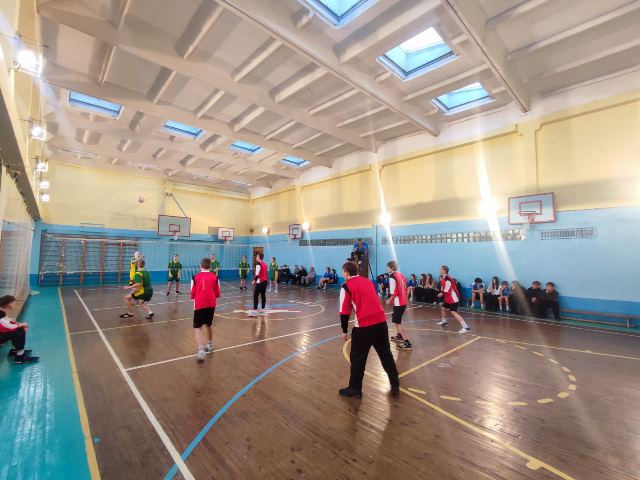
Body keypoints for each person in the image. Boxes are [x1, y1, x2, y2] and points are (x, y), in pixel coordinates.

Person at [338, 261, 400, 398]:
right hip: (381, 323)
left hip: (364, 327)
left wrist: (344, 330)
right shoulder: (368, 282)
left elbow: (344, 312)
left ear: (346, 273)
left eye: (343, 272)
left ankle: (355, 389)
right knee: (386, 354)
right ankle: (395, 384)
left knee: (357, 358)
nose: (343, 275)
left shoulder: (345, 287)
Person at [191, 257, 221, 362]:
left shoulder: (195, 277)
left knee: (198, 328)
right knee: (209, 325)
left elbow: (193, 294)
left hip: (199, 305)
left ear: (200, 266)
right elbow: (217, 293)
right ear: (210, 266)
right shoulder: (215, 277)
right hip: (211, 305)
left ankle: (201, 350)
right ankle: (210, 344)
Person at [0, 295, 38, 364]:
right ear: (8, 304)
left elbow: (7, 321)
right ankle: (20, 358)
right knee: (19, 331)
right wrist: (22, 325)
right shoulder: (0, 314)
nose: (15, 304)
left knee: (18, 328)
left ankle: (16, 350)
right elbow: (8, 327)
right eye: (13, 302)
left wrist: (19, 324)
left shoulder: (1, 311)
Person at [437, 265, 471, 333]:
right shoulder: (444, 278)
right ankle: (444, 322)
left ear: (444, 270)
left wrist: (441, 293)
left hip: (453, 298)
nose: (439, 270)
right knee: (443, 308)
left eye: (440, 269)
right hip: (447, 298)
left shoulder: (447, 278)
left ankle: (466, 327)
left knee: (453, 312)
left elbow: (448, 289)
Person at [387, 261, 412, 351]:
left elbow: (395, 291)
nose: (387, 269)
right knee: (395, 319)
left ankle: (407, 343)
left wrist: (390, 299)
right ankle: (399, 335)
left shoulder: (392, 276)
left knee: (397, 322)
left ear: (391, 268)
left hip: (399, 302)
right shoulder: (401, 275)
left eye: (388, 267)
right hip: (403, 301)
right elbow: (404, 288)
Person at [249, 252, 268, 317]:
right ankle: (262, 310)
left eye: (257, 256)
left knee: (255, 295)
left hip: (260, 282)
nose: (256, 257)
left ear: (259, 257)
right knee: (263, 295)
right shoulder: (264, 264)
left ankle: (254, 311)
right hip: (265, 281)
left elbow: (258, 274)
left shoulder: (259, 264)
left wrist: (254, 280)